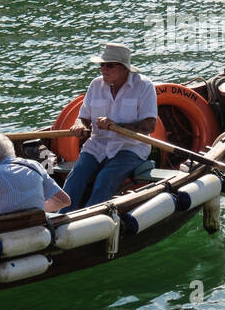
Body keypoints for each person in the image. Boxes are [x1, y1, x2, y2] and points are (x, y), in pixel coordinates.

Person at [62, 43, 158, 210]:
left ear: (124, 68)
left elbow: (150, 126)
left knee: (105, 178)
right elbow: (83, 117)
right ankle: (59, 218)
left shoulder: (144, 86)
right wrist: (79, 126)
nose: (103, 69)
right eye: (102, 65)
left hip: (131, 147)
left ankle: (91, 220)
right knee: (76, 175)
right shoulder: (95, 85)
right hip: (97, 144)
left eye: (109, 65)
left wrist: (117, 126)